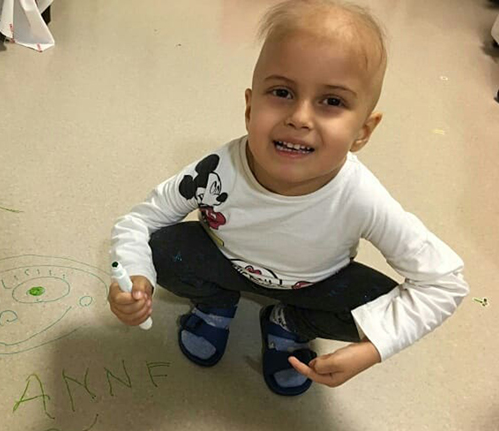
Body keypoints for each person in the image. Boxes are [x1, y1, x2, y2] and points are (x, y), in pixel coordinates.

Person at [108, 0, 468, 396]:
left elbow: (444, 283)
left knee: (379, 305)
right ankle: (215, 302)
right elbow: (140, 221)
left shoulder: (362, 197)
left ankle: (291, 322)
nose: (299, 117)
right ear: (250, 108)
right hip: (226, 264)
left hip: (315, 284)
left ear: (363, 132)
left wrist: (374, 348)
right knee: (162, 248)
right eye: (282, 92)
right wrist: (135, 275)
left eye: (332, 101)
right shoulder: (217, 170)